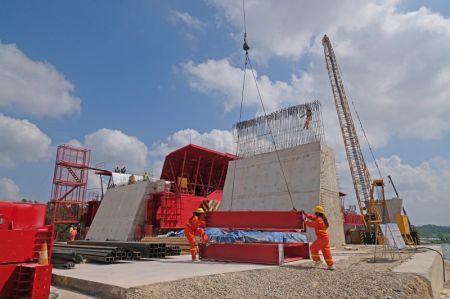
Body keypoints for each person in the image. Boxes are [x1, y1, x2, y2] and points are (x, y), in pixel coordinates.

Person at [303, 205, 334, 270]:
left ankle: (318, 261)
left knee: (312, 248)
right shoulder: (321, 219)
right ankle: (330, 265)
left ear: (317, 212)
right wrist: (305, 214)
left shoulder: (319, 220)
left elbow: (312, 224)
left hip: (322, 237)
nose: (314, 213)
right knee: (326, 251)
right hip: (325, 237)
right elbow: (312, 218)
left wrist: (304, 221)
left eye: (315, 212)